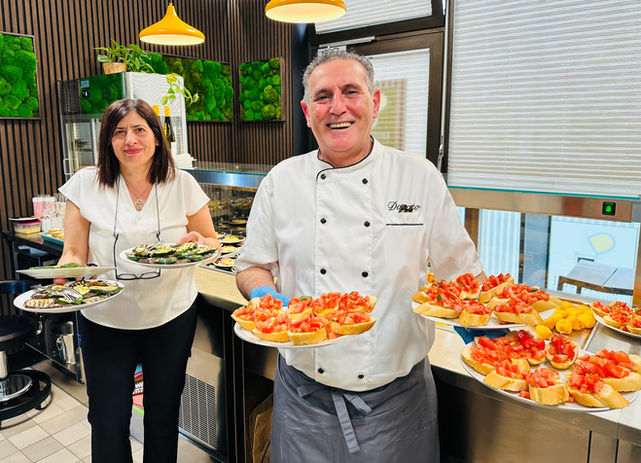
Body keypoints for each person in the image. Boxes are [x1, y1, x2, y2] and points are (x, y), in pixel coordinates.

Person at [235, 49, 484, 462]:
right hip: (303, 400)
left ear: (375, 102)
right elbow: (252, 266)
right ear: (306, 112)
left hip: (399, 403)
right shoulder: (281, 180)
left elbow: (462, 276)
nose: (337, 107)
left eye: (351, 91)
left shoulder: (418, 177)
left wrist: (486, 325)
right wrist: (265, 299)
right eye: (322, 96)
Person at [56, 98, 220, 463]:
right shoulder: (86, 184)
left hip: (170, 316)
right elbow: (74, 252)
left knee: (163, 417)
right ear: (108, 140)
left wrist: (199, 242)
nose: (130, 140)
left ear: (157, 138)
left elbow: (211, 241)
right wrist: (63, 277)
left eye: (139, 130)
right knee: (107, 420)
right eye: (119, 132)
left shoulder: (181, 183)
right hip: (105, 319)